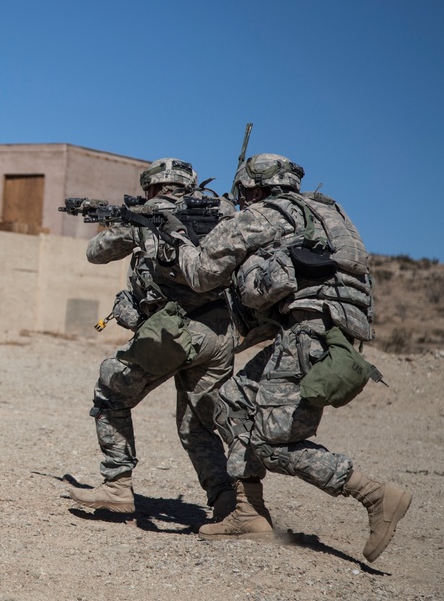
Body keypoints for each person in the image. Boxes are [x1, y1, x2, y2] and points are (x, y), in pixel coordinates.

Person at [163, 152, 411, 563]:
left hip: (308, 332)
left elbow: (203, 272)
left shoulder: (265, 214)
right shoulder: (328, 211)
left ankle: (375, 495)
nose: (243, 204)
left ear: (255, 189)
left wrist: (178, 241)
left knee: (271, 443)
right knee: (232, 403)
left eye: (244, 196)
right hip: (322, 332)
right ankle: (248, 513)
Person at [68, 158, 239, 521]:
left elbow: (95, 252)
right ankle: (227, 500)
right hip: (222, 333)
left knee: (111, 388)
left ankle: (116, 485)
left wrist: (127, 222)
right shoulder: (224, 214)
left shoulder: (152, 214)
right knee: (197, 422)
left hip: (175, 332)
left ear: (151, 187)